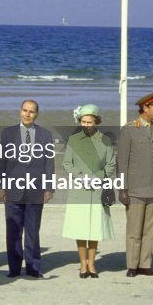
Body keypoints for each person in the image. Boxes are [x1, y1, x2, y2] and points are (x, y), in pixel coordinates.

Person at [0, 100, 54, 279]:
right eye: (24, 110)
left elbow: (49, 164)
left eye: (31, 111)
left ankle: (33, 267)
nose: (27, 114)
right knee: (13, 231)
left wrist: (49, 188)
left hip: (36, 190)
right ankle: (14, 268)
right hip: (13, 189)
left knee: (32, 230)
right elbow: (3, 162)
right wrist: (0, 185)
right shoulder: (8, 133)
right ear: (19, 111)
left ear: (36, 114)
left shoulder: (45, 135)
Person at [117, 92, 153, 277]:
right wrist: (122, 188)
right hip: (135, 188)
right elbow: (122, 161)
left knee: (149, 229)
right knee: (134, 230)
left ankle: (145, 264)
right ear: (145, 108)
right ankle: (132, 265)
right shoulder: (129, 129)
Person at [61, 104, 116, 278]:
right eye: (83, 121)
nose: (86, 125)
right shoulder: (74, 140)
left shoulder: (106, 141)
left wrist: (101, 177)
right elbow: (66, 163)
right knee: (80, 228)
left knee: (95, 228)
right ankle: (83, 264)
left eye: (89, 122)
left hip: (98, 190)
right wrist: (80, 177)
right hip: (79, 189)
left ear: (97, 122)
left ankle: (92, 264)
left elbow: (111, 163)